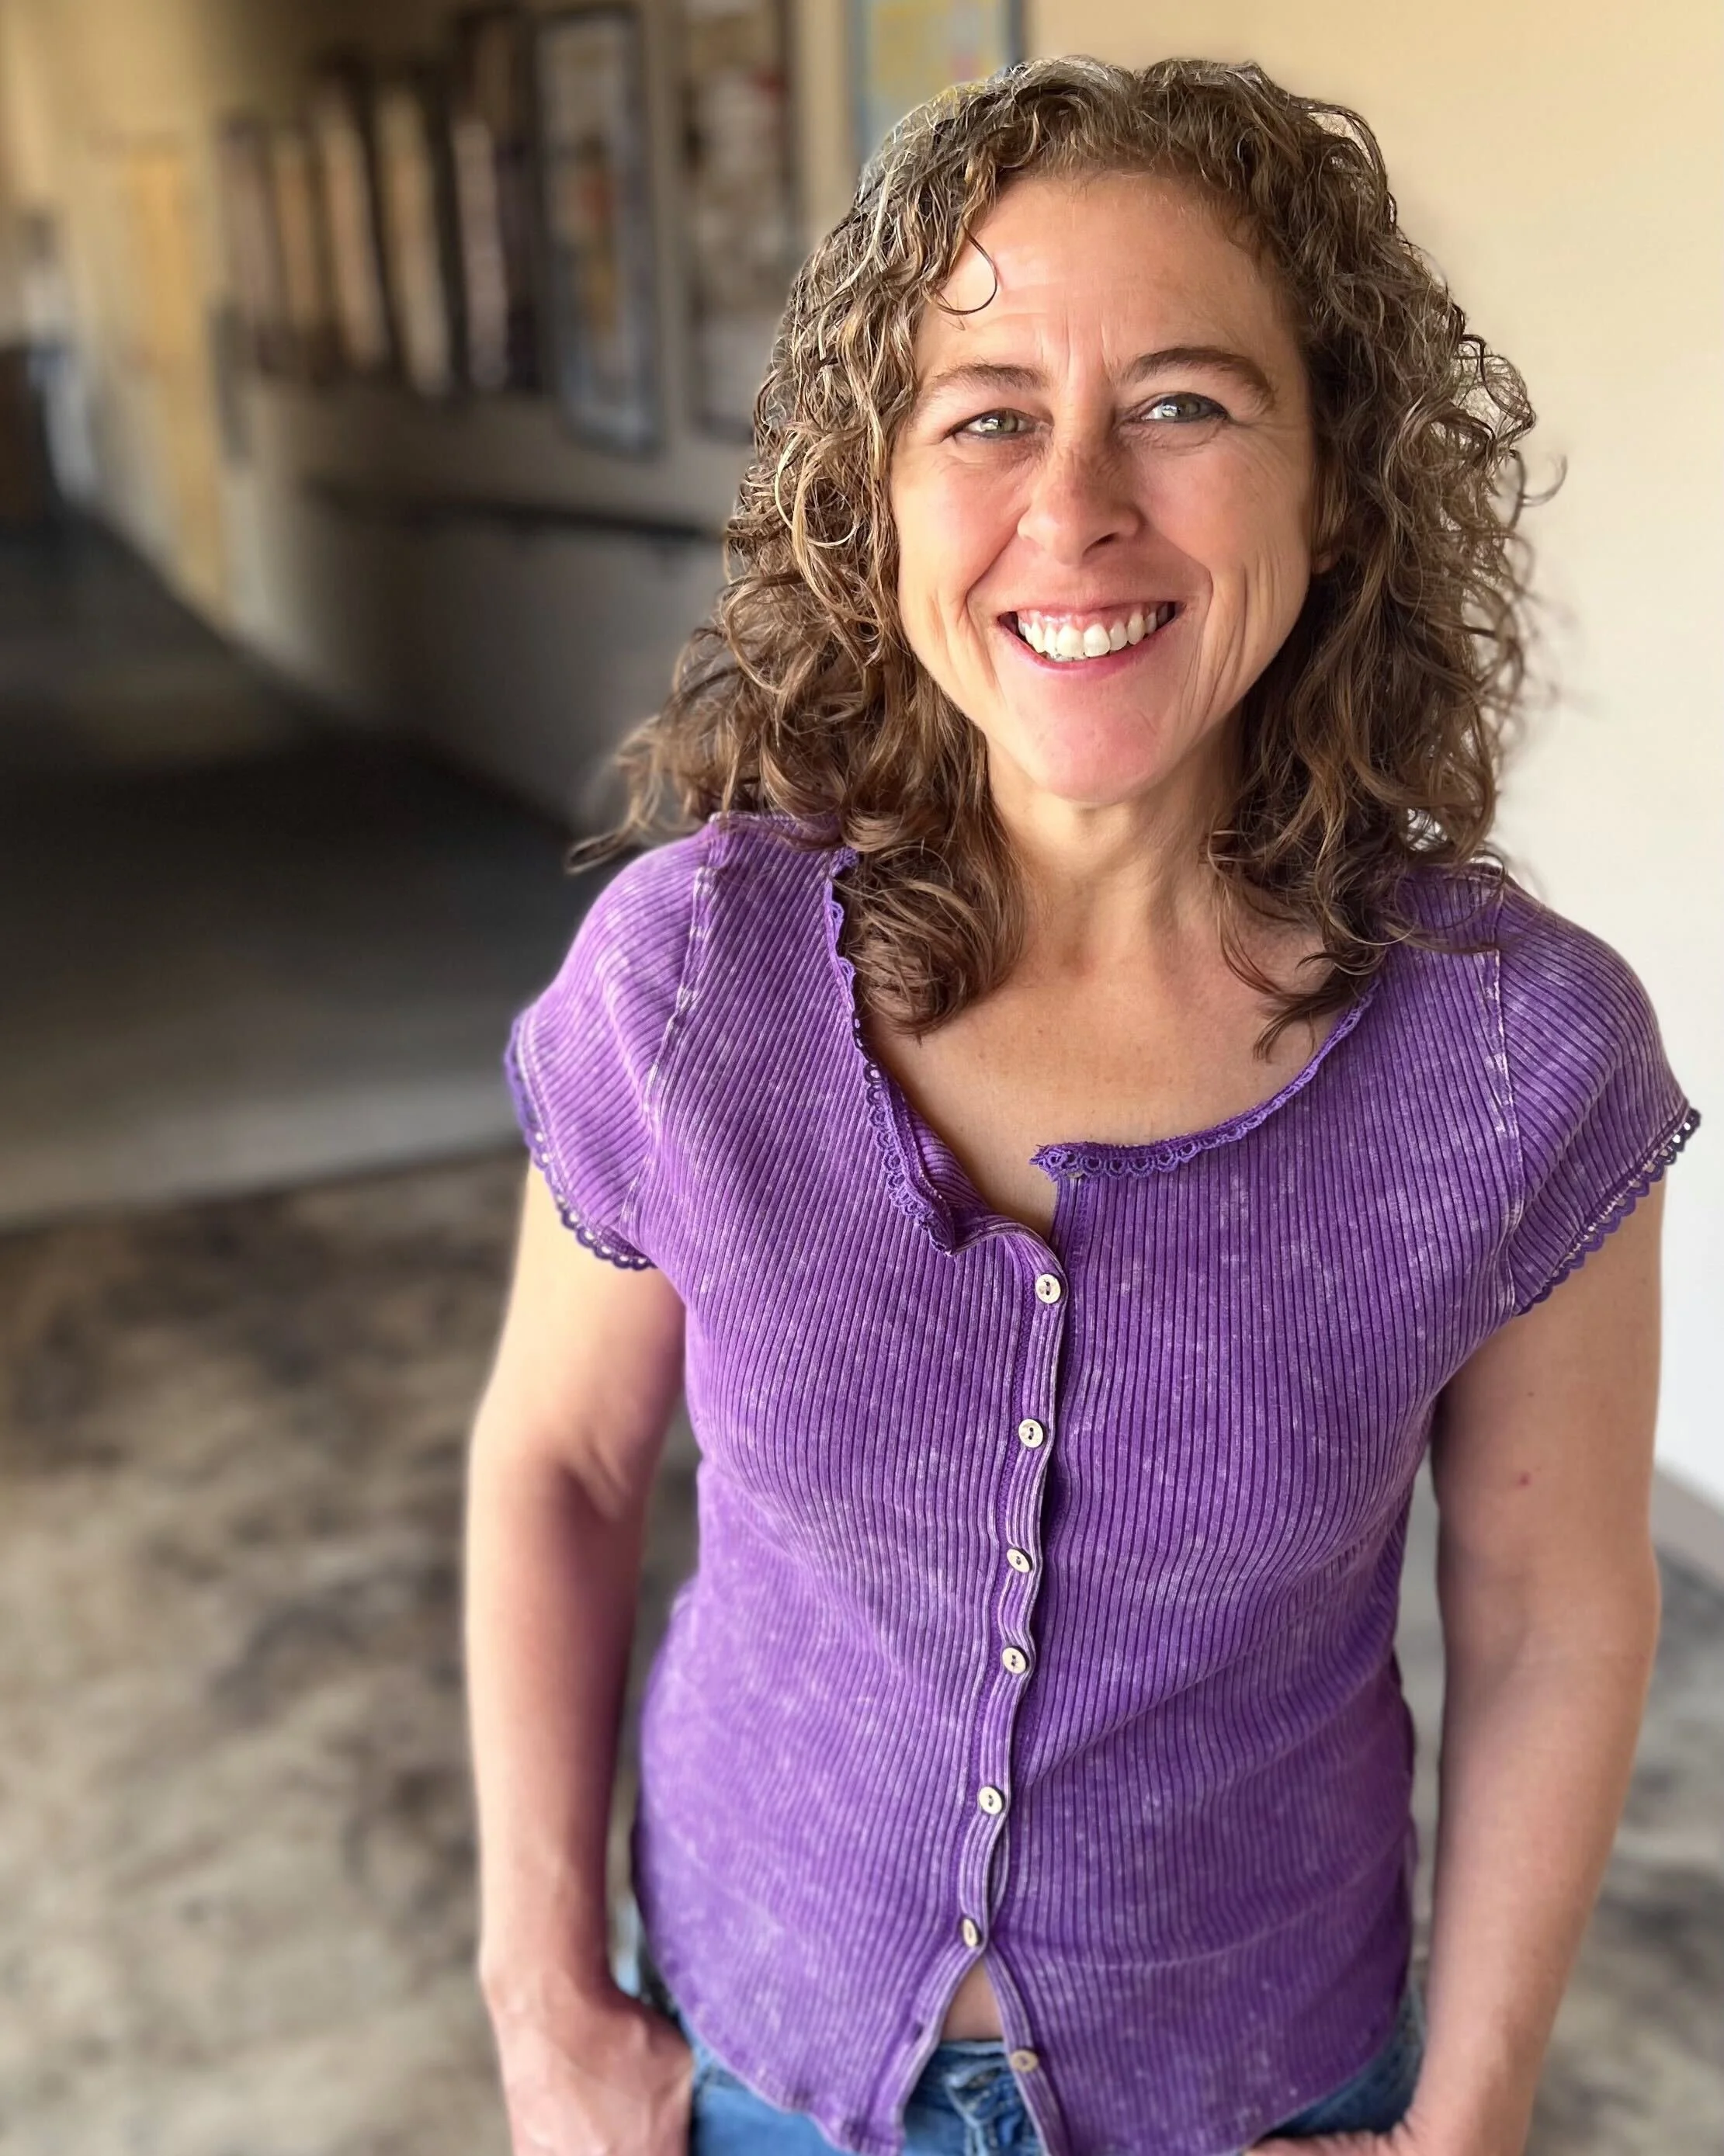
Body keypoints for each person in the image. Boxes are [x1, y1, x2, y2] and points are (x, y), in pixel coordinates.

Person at [463, 54, 1700, 2156]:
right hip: (746, 2070)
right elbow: (560, 1465)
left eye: (1185, 404)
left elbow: (1551, 1611)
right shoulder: (692, 986)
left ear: (1338, 482)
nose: (1073, 510)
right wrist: (542, 2006)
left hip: (1263, 2090)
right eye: (986, 416)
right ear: (877, 491)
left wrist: (1474, 2110)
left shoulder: (1511, 1055)